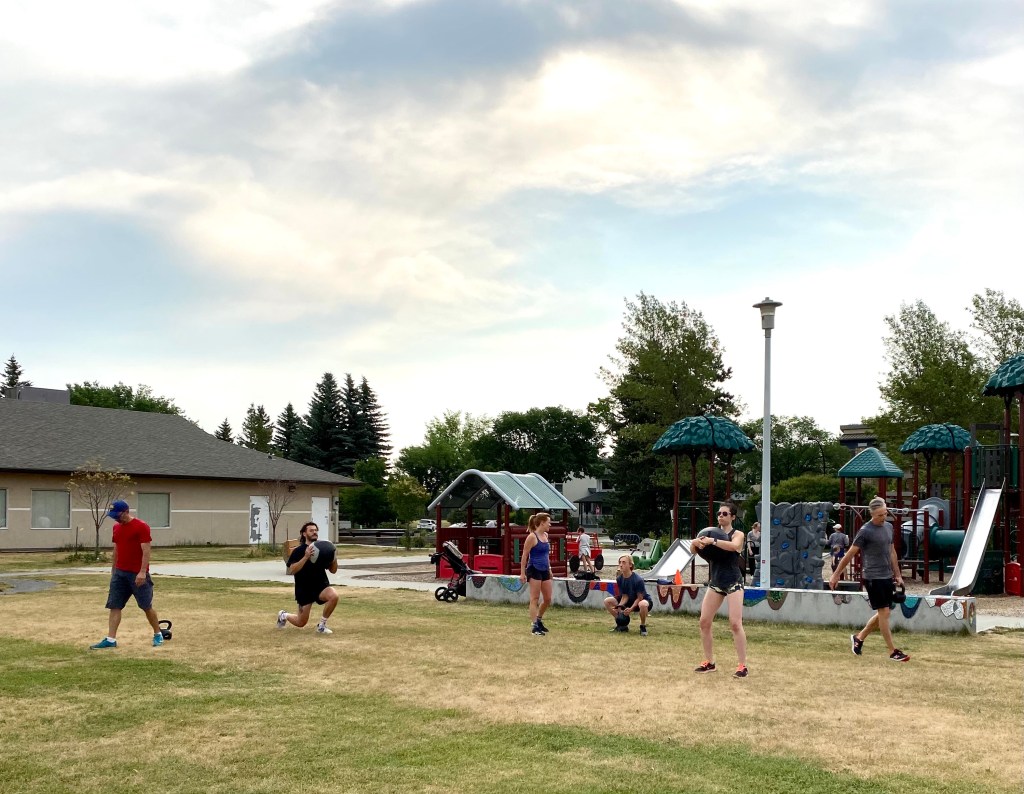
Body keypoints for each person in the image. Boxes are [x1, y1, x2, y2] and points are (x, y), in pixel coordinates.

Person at [829, 497, 909, 662]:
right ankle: (892, 651)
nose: (883, 517)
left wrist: (898, 574)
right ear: (872, 514)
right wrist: (836, 574)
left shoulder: (888, 527)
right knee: (884, 612)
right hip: (873, 577)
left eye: (885, 513)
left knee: (883, 612)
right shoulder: (865, 531)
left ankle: (859, 638)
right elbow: (850, 554)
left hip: (887, 575)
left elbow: (892, 552)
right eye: (880, 515)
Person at [90, 500, 164, 649]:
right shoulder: (116, 528)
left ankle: (158, 633)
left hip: (137, 574)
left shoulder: (141, 526)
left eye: (117, 515)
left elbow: (146, 551)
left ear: (126, 512)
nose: (115, 519)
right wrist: (113, 570)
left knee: (146, 606)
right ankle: (111, 639)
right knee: (114, 605)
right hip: (120, 573)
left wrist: (142, 572)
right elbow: (116, 549)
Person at [691, 500, 748, 678]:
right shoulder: (709, 533)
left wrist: (713, 541)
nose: (720, 516)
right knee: (704, 621)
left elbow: (734, 546)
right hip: (716, 581)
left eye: (725, 513)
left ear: (733, 516)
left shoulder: (737, 534)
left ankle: (742, 666)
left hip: (733, 581)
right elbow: (693, 550)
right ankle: (710, 662)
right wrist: (695, 542)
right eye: (719, 513)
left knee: (735, 623)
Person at [277, 521, 339, 634]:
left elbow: (333, 571)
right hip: (304, 589)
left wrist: (334, 557)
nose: (314, 532)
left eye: (315, 530)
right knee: (301, 622)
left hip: (321, 586)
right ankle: (283, 615)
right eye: (311, 530)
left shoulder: (322, 549)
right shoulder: (298, 551)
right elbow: (292, 570)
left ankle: (322, 626)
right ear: (304, 534)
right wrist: (306, 557)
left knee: (333, 596)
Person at [520, 512, 553, 636]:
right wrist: (522, 573)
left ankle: (539, 619)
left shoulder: (546, 535)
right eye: (548, 522)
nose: (550, 525)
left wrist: (549, 568)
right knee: (534, 598)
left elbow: (546, 555)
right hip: (534, 569)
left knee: (548, 598)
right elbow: (525, 555)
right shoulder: (532, 537)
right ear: (542, 523)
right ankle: (534, 626)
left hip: (544, 569)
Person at [603, 555, 652, 635]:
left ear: (630, 565)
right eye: (620, 562)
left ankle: (642, 626)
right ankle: (621, 623)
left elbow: (640, 598)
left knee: (643, 604)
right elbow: (624, 596)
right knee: (607, 601)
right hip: (629, 600)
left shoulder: (638, 580)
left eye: (624, 562)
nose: (621, 565)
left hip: (641, 600)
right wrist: (619, 607)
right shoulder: (620, 579)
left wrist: (631, 609)